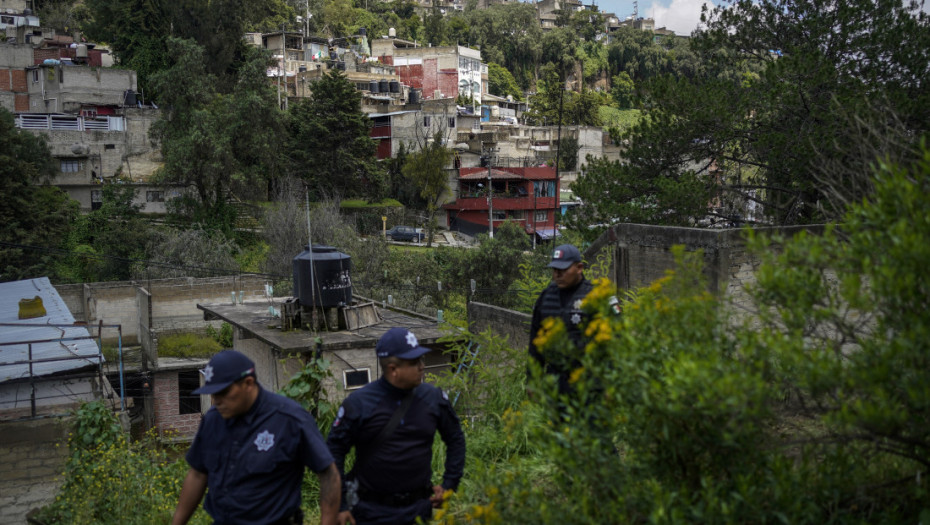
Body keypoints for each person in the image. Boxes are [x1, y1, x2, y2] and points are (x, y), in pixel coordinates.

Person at [172, 350, 341, 525]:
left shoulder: (289, 419)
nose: (216, 400)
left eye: (223, 393)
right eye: (213, 394)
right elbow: (198, 474)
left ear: (248, 383)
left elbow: (328, 474)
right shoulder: (213, 419)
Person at [326, 327, 466, 525]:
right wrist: (340, 505)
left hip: (418, 509)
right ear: (393, 369)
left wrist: (450, 484)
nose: (422, 366)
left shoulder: (433, 398)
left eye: (421, 360)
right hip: (370, 511)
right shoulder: (360, 404)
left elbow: (456, 439)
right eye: (414, 362)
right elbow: (334, 453)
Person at [528, 244, 594, 395]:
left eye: (563, 270)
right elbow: (535, 343)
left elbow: (613, 341)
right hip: (556, 382)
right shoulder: (546, 298)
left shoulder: (594, 297)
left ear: (579, 268)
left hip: (588, 382)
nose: (557, 275)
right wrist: (533, 380)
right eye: (555, 270)